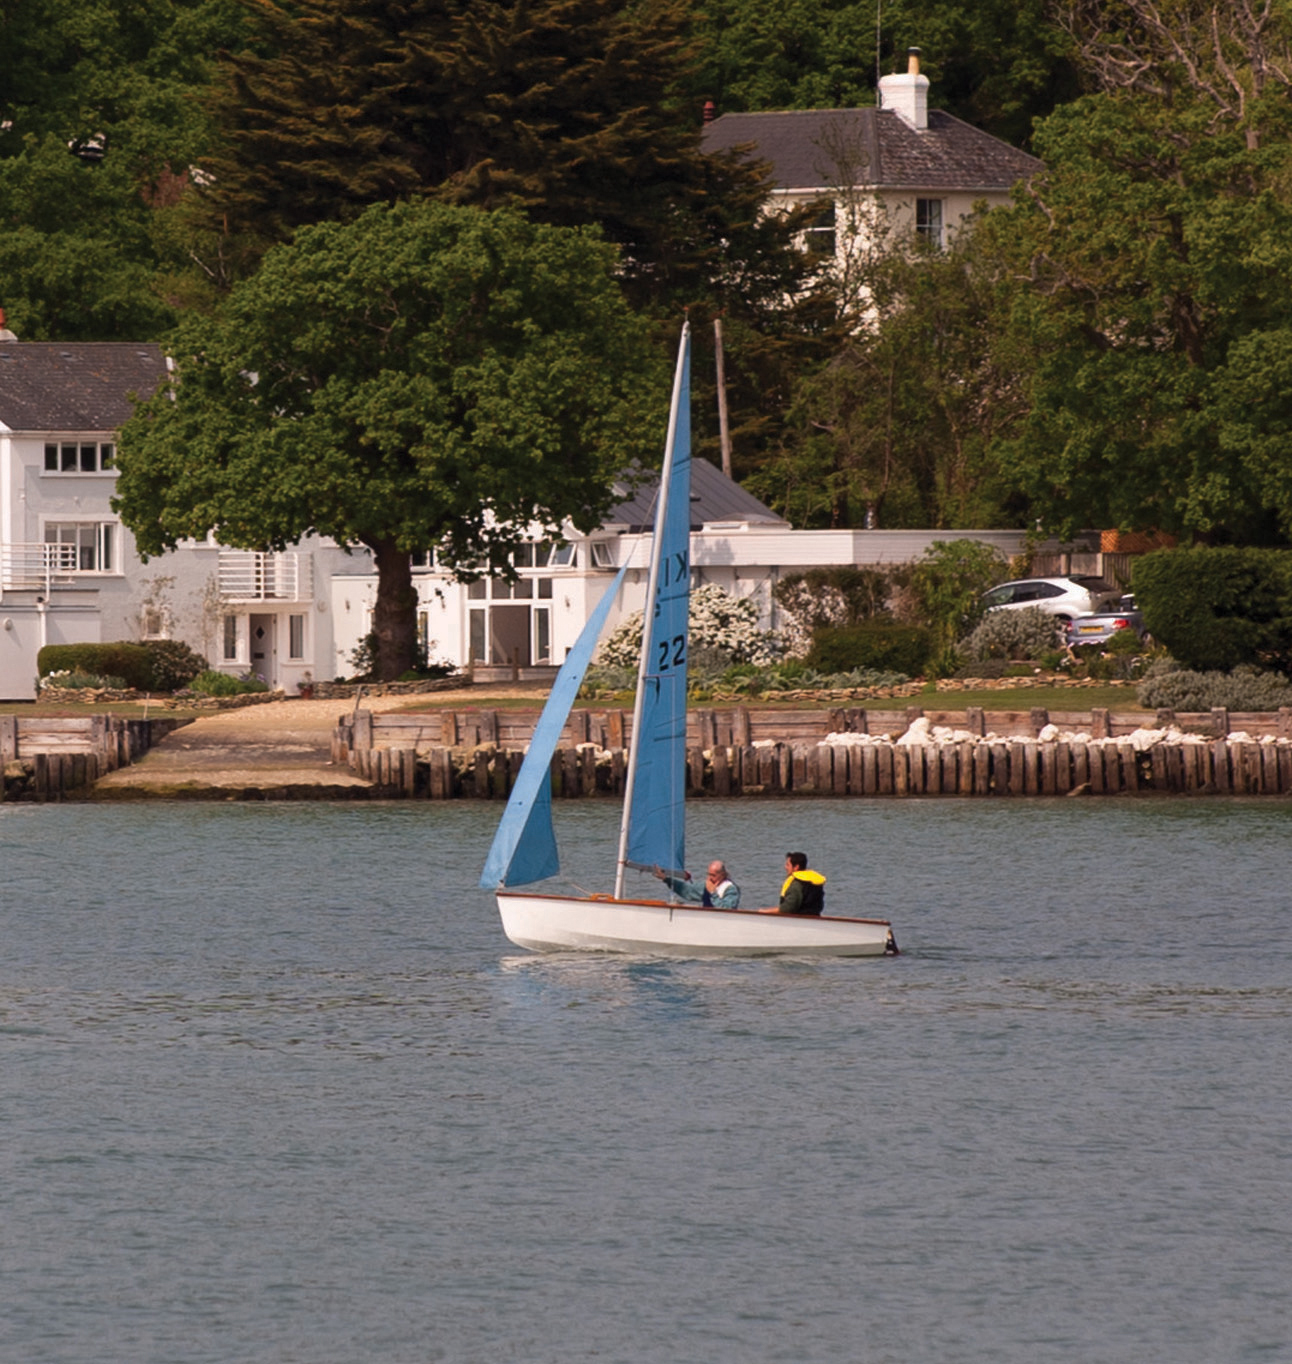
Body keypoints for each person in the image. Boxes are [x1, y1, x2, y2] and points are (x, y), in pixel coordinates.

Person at [653, 860, 741, 909]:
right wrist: (666, 879)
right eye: (709, 874)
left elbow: (727, 908)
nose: (710, 878)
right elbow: (687, 890)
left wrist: (713, 893)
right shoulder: (707, 885)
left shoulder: (730, 889)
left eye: (713, 875)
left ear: (722, 875)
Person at [761, 851, 826, 915]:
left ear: (796, 867)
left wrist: (764, 912)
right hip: (814, 918)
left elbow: (787, 909)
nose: (785, 867)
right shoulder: (814, 883)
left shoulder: (796, 885)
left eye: (788, 865)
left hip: (799, 921)